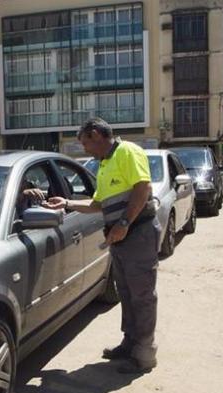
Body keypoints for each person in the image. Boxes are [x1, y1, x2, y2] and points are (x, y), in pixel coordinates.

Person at [43, 117, 160, 374]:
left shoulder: (128, 151)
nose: (85, 150)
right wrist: (67, 203)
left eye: (85, 143)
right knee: (126, 294)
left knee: (142, 296)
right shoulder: (105, 164)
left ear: (96, 134)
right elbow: (97, 205)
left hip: (138, 234)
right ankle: (129, 344)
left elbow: (143, 188)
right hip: (121, 238)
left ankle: (144, 354)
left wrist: (125, 223)